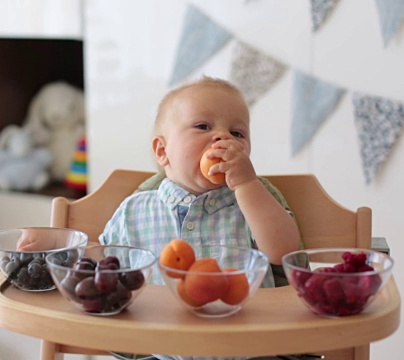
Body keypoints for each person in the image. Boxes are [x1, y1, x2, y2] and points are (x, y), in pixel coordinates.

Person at [98, 76, 300, 285]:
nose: (223, 137)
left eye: (237, 133)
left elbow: (283, 252)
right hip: (157, 318)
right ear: (162, 151)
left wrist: (246, 184)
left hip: (241, 316)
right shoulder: (132, 212)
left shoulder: (253, 203)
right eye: (203, 126)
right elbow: (104, 272)